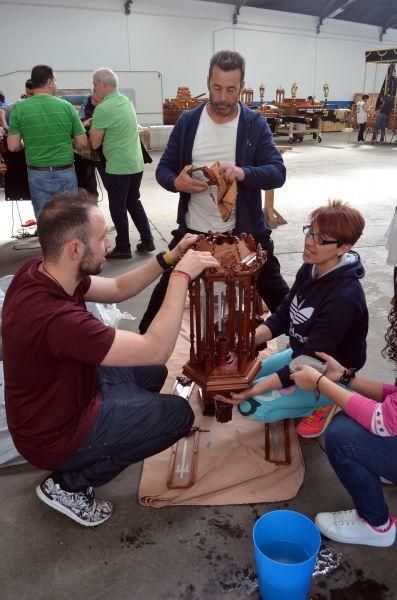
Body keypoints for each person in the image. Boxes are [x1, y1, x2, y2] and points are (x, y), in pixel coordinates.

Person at [2, 190, 218, 527]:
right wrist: (181, 277)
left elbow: (117, 288)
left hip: (64, 401)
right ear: (75, 249)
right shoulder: (57, 319)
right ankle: (68, 485)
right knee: (176, 415)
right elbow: (156, 345)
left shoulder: (43, 272)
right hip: (53, 435)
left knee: (151, 372)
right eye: (102, 238)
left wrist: (170, 258)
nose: (109, 243)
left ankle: (117, 423)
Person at [139, 49, 288, 334]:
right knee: (158, 302)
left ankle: (304, 353)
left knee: (282, 300)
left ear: (242, 87)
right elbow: (164, 170)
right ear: (207, 81)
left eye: (231, 90)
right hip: (194, 234)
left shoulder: (253, 124)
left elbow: (277, 172)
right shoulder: (188, 121)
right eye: (217, 88)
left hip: (245, 235)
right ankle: (138, 358)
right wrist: (176, 183)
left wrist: (243, 173)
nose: (222, 97)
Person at [214, 200, 368, 439]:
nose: (309, 241)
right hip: (301, 353)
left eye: (320, 238)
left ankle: (330, 399)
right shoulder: (311, 268)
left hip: (326, 369)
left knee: (249, 404)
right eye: (310, 231)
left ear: (343, 248)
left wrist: (255, 389)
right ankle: (306, 394)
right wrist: (246, 340)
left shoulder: (344, 298)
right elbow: (285, 313)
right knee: (244, 381)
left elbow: (310, 358)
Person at [290, 298, 397, 547]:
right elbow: (393, 396)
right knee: (349, 419)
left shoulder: (345, 295)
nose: (392, 299)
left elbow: (383, 421)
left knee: (341, 436)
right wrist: (346, 377)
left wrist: (319, 382)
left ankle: (376, 525)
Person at [89, 68, 155, 259]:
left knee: (117, 206)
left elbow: (94, 143)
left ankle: (123, 247)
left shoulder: (102, 109)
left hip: (118, 167)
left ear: (104, 85)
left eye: (94, 84)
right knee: (133, 201)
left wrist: (89, 128)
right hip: (135, 164)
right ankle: (148, 239)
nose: (93, 88)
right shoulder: (126, 101)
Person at [7, 65, 88, 218]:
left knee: (45, 220)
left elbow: (12, 146)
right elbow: (83, 143)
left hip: (38, 173)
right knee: (70, 218)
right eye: (55, 81)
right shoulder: (67, 107)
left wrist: (26, 143)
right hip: (65, 171)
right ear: (50, 82)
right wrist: (67, 139)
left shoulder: (20, 109)